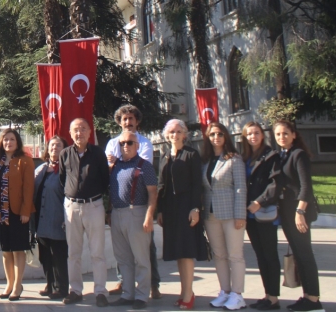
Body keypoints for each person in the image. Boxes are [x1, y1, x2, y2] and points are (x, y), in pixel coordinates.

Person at [104, 105, 161, 300]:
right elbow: (108, 177)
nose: (125, 146)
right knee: (124, 258)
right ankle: (127, 293)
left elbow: (151, 190)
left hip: (137, 211)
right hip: (118, 213)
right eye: (124, 119)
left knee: (144, 255)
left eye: (131, 119)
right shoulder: (113, 146)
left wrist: (149, 215)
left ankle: (146, 291)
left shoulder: (144, 150)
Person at [269, 120, 322, 312]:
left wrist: (300, 212)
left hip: (299, 212)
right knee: (299, 255)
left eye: (285, 133)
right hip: (286, 211)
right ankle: (307, 296)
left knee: (305, 254)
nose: (281, 137)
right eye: (278, 134)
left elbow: (306, 186)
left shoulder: (298, 155)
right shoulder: (282, 155)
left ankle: (314, 299)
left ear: (293, 134)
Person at [157, 119, 207, 311]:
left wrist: (195, 208)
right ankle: (184, 291)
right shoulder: (165, 155)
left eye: (179, 131)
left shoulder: (191, 154)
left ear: (184, 134)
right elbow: (162, 185)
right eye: (171, 132)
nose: (175, 135)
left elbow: (197, 184)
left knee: (186, 252)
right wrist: (160, 210)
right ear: (166, 135)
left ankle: (189, 294)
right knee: (178, 252)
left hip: (186, 207)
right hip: (170, 209)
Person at [60, 117, 110, 307]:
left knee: (97, 252)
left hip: (94, 206)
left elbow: (105, 179)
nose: (79, 133)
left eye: (82, 129)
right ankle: (75, 290)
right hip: (72, 207)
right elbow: (62, 180)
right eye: (75, 130)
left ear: (90, 132)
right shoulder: (65, 154)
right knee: (73, 253)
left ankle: (100, 292)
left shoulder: (98, 154)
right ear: (70, 133)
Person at [201, 122, 248, 311]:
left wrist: (240, 215)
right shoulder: (205, 161)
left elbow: (240, 188)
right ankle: (225, 291)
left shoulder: (234, 159)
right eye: (212, 134)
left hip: (231, 215)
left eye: (220, 134)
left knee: (235, 255)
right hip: (210, 215)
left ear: (226, 136)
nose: (216, 137)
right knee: (219, 255)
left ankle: (237, 295)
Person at [0, 127, 35, 302]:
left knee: (18, 249)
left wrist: (25, 211)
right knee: (5, 250)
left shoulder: (25, 161)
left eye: (12, 139)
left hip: (16, 212)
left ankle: (17, 286)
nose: (8, 142)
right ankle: (9, 284)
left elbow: (28, 188)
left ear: (17, 142)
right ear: (1, 142)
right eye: (5, 140)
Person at [242, 122, 282, 311]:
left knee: (270, 255)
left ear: (262, 135)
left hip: (264, 213)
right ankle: (267, 295)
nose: (253, 136)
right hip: (250, 216)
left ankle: (273, 298)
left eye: (256, 133)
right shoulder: (245, 158)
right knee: (260, 256)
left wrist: (259, 202)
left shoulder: (271, 156)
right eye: (249, 134)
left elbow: (275, 184)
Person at [33, 135, 68, 300]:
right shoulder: (41, 169)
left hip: (58, 218)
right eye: (52, 145)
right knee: (45, 255)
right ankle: (49, 283)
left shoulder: (67, 168)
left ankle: (61, 287)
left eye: (58, 145)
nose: (55, 148)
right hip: (41, 219)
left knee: (58, 255)